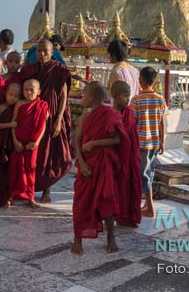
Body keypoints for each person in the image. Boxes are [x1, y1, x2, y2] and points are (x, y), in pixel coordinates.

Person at [71, 81, 124, 255]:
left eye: (84, 94)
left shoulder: (110, 114)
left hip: (103, 164)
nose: (82, 97)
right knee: (81, 202)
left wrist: (94, 143)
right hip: (87, 165)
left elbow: (117, 139)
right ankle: (77, 240)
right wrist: (81, 163)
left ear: (92, 97)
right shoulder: (85, 117)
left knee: (107, 200)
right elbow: (77, 141)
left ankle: (111, 237)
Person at [19, 39, 73, 202]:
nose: (42, 54)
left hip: (52, 115)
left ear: (52, 53)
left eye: (45, 51)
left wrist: (59, 119)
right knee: (32, 153)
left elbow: (64, 96)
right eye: (39, 51)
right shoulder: (29, 70)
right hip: (33, 117)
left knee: (48, 154)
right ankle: (27, 188)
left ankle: (46, 190)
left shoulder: (59, 70)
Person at [131, 66, 168, 218]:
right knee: (149, 172)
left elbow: (133, 122)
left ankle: (150, 207)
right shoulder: (160, 99)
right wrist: (162, 141)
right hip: (154, 142)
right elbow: (162, 122)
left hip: (141, 143)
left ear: (140, 80)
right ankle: (147, 204)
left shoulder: (136, 100)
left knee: (143, 175)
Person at [9, 79, 49, 208]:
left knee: (30, 169)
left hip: (33, 144)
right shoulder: (19, 104)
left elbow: (43, 126)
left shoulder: (42, 106)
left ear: (39, 92)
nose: (29, 92)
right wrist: (15, 141)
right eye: (26, 90)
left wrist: (36, 142)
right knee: (15, 168)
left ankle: (30, 196)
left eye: (32, 90)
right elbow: (14, 123)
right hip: (18, 142)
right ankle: (11, 195)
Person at [112, 80, 142, 227]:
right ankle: (113, 216)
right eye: (124, 96)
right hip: (115, 156)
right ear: (114, 96)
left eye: (128, 96)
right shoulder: (110, 114)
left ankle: (129, 216)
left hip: (129, 156)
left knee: (131, 186)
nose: (127, 99)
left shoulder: (129, 112)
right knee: (116, 187)